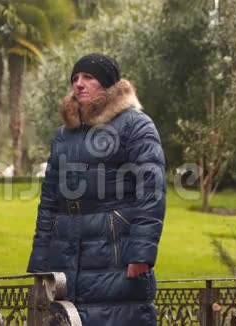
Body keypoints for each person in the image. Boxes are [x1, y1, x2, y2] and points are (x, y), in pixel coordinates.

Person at [27, 53, 166, 325]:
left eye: (88, 77)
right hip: (64, 251)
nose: (79, 83)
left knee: (116, 316)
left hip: (115, 252)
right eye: (75, 78)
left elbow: (151, 191)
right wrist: (41, 257)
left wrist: (141, 252)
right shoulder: (63, 136)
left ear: (108, 84)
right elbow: (49, 202)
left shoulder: (136, 126)